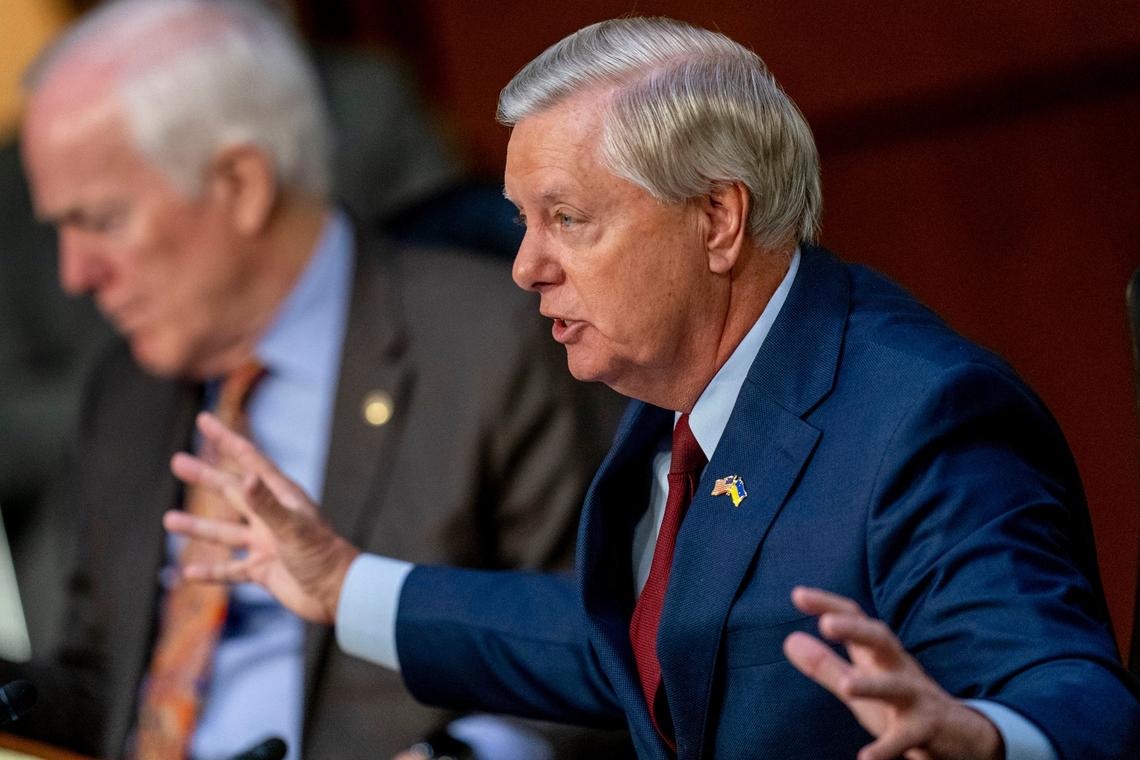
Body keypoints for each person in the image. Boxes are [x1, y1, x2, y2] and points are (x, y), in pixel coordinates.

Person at [167, 16, 1140, 760]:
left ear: (717, 219)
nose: (525, 267)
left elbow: (1069, 687)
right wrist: (343, 583)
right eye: (521, 222)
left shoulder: (923, 416)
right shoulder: (678, 393)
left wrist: (988, 735)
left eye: (568, 219)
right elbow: (631, 641)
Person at [5, 1, 623, 758]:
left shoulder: (495, 344)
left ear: (240, 184)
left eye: (99, 220)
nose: (76, 274)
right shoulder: (123, 391)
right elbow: (109, 682)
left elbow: (609, 642)